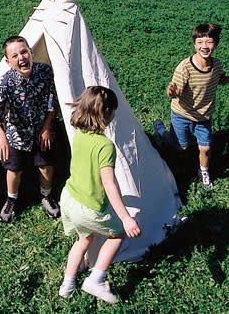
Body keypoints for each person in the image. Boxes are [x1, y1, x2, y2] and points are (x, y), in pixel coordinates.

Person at [58, 86, 141, 303]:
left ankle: (67, 284)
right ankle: (96, 278)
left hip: (68, 198)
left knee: (83, 239)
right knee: (117, 235)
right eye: (113, 110)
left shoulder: (79, 135)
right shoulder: (105, 146)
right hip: (89, 207)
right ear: (106, 113)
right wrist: (125, 218)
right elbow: (109, 183)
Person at [0, 35, 60, 222]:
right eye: (14, 55)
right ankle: (11, 199)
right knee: (14, 169)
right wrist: (0, 135)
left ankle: (46, 195)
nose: (21, 58)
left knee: (45, 165)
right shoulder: (5, 82)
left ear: (31, 52)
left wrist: (47, 126)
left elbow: (52, 101)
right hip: (16, 133)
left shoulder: (45, 71)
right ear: (8, 61)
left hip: (41, 129)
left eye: (24, 52)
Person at [154, 23, 228, 189]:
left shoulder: (217, 65)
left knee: (206, 147)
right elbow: (175, 91)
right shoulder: (185, 67)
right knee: (183, 147)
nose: (204, 46)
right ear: (194, 43)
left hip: (204, 116)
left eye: (209, 42)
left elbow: (220, 79)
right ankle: (161, 133)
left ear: (216, 43)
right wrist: (172, 92)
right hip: (182, 114)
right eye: (200, 42)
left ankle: (203, 171)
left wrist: (227, 79)